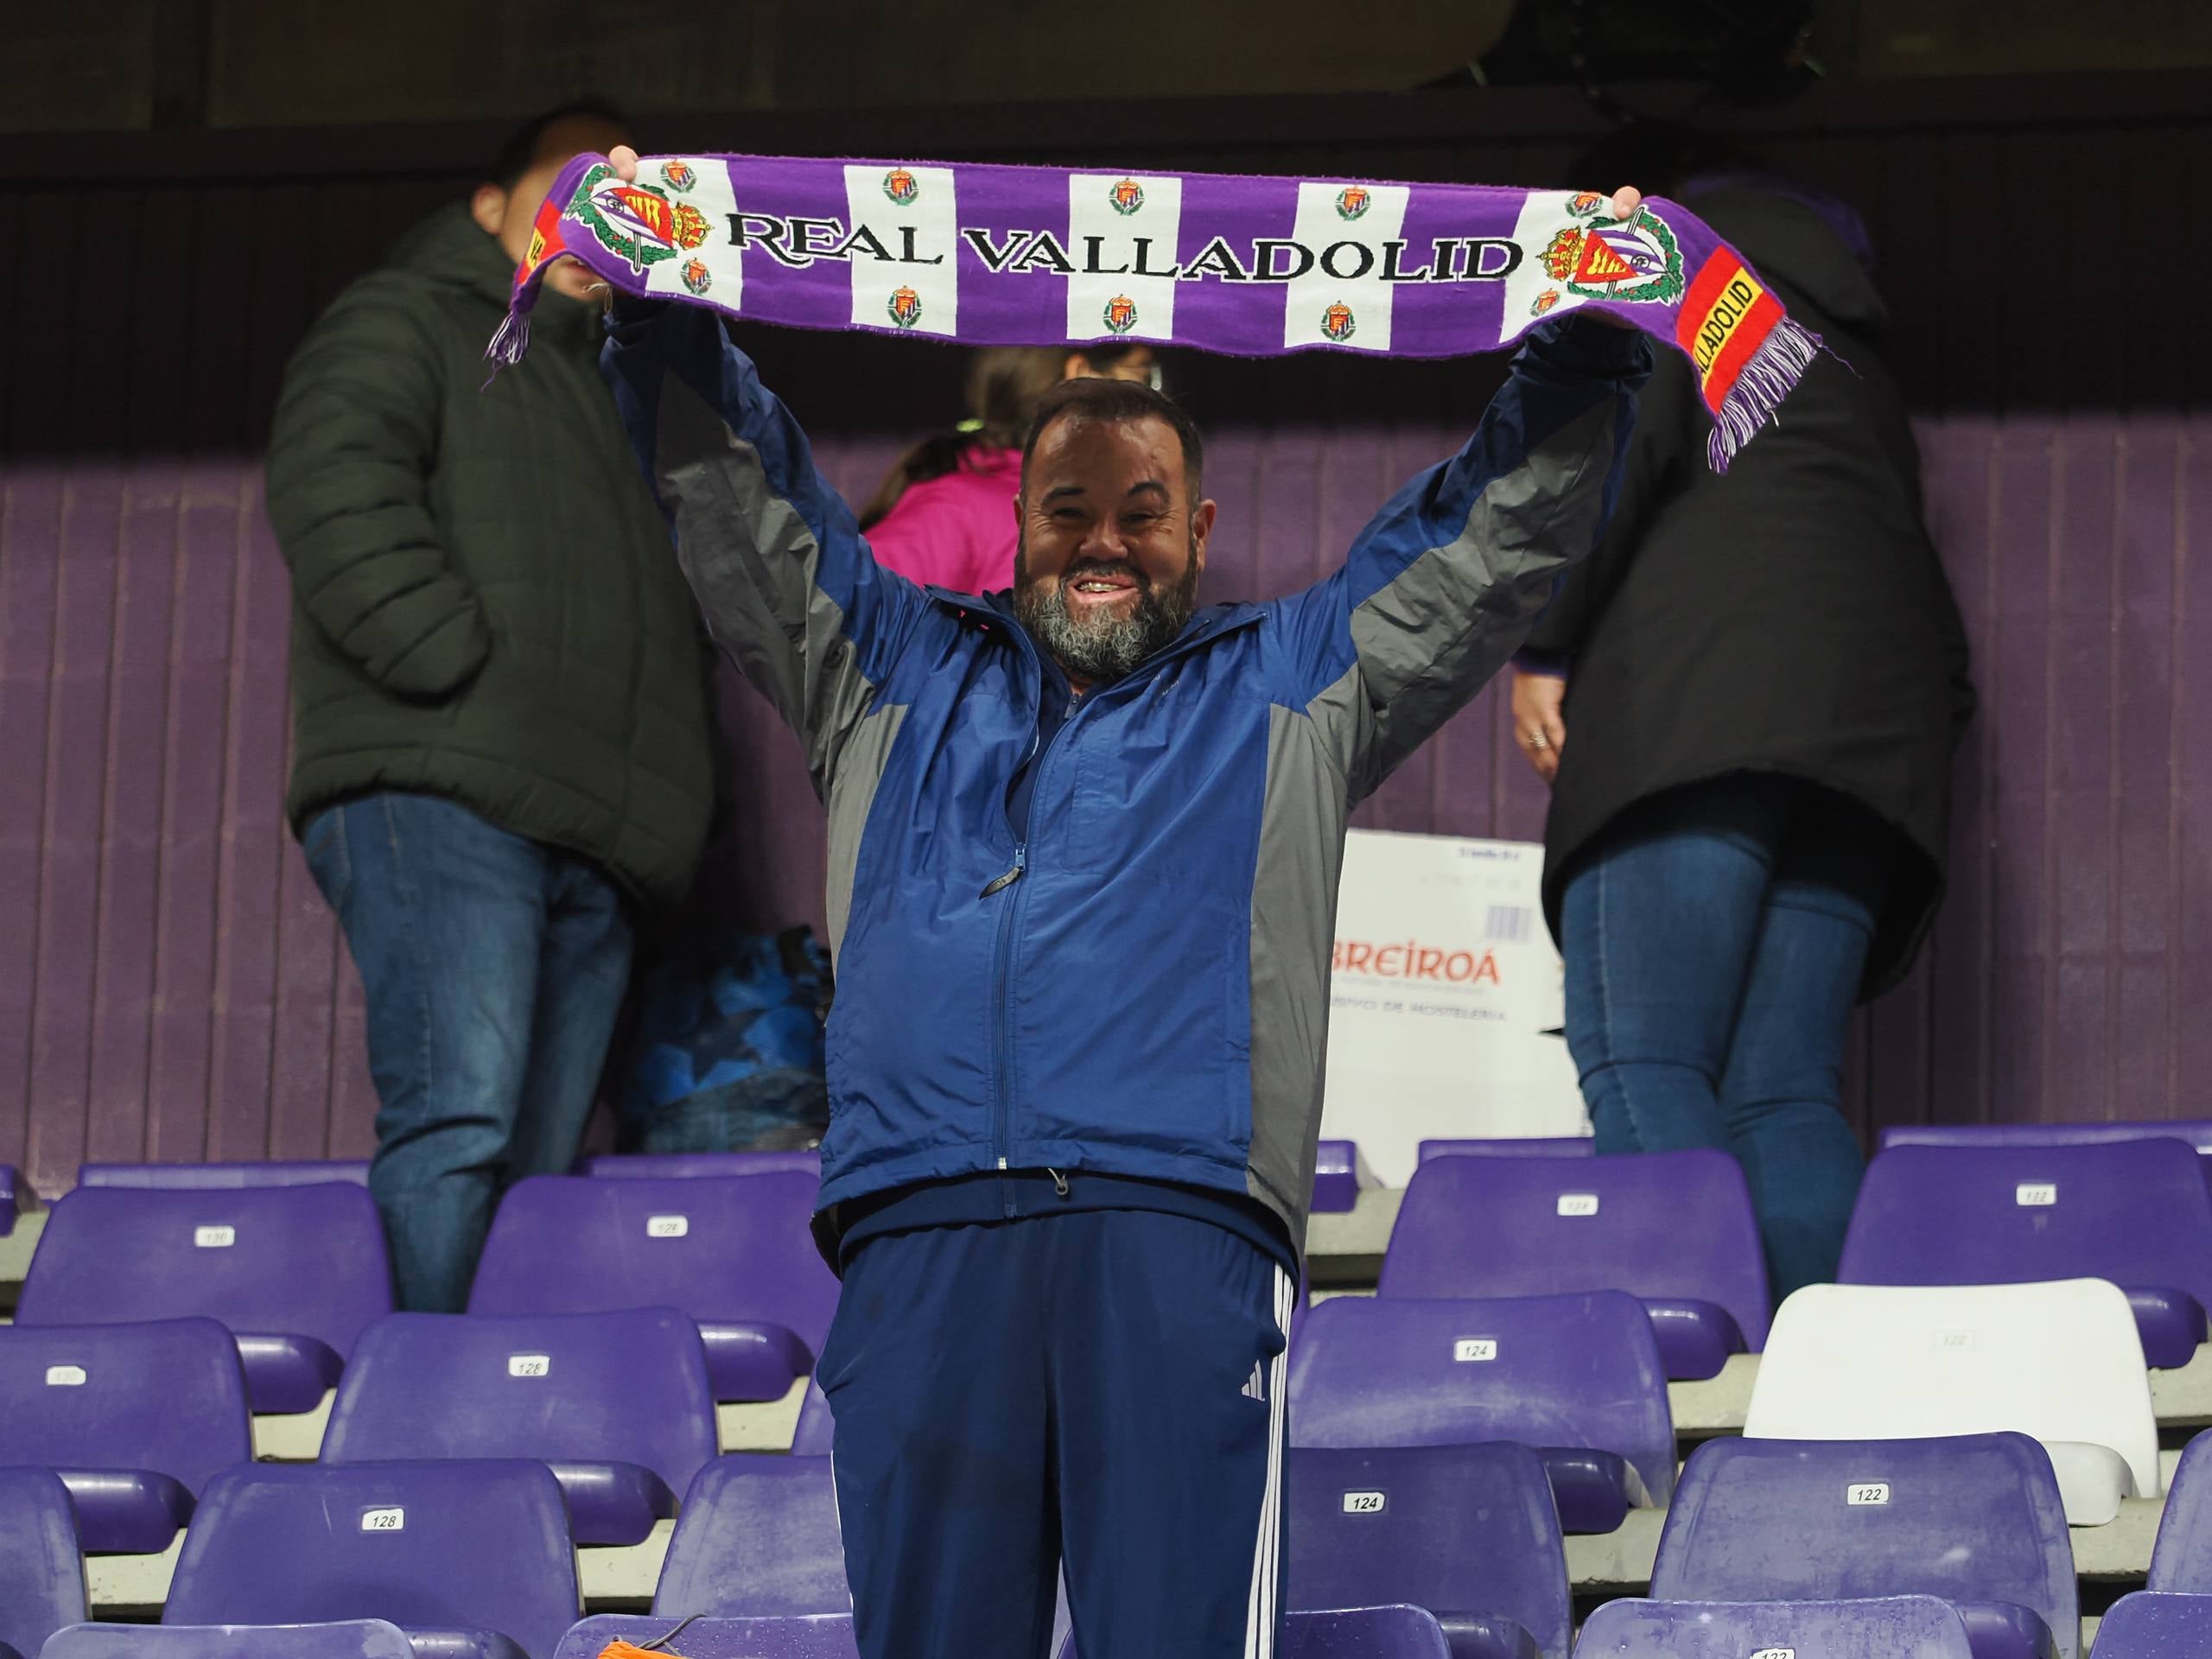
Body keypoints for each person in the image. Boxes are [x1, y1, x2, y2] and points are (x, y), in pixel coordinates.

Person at [597, 142, 1647, 1659]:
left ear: (1200, 534)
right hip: (923, 1222)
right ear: (1011, 524)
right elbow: (745, 512)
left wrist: (1589, 341)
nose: (1103, 542)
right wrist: (659, 315)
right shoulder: (882, 668)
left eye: (1142, 511)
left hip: (1175, 1218)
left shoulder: (1293, 681)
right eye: (1068, 509)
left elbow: (1481, 546)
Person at [264, 106, 720, 1313]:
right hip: (450, 787)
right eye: (567, 188)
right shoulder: (408, 314)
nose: (592, 222)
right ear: (490, 207)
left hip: (602, 833)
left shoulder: (633, 399)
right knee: (459, 1120)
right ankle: (419, 1424)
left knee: (539, 1176)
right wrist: (451, 664)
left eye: (622, 207)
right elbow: (333, 479)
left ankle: (495, 1425)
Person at [1509, 160, 1974, 1303]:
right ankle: (1814, 1401)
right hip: (1869, 753)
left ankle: (1702, 1390)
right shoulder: (1861, 373)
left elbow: (1610, 450)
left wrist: (1542, 644)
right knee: (1784, 1092)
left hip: (1697, 715)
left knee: (1646, 1057)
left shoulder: (1686, 276)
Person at [858, 342, 1161, 590]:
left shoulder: (1081, 505)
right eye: (1143, 377)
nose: (1157, 404)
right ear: (1079, 374)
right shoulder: (961, 506)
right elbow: (847, 613)